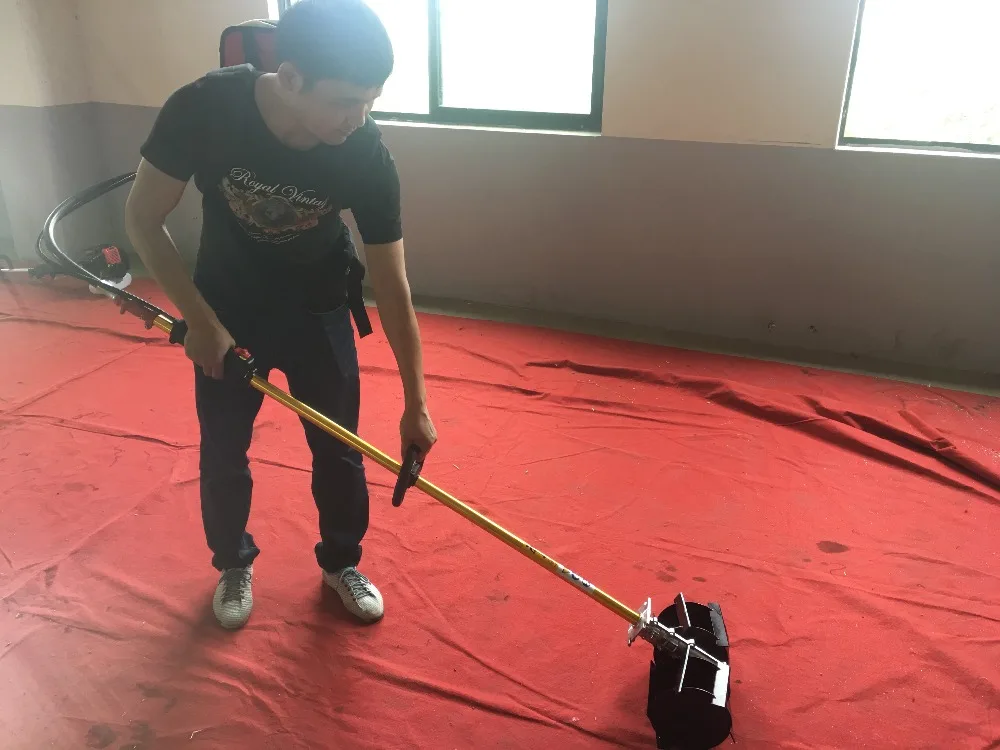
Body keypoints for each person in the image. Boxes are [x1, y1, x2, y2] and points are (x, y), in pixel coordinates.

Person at [124, 0, 436, 630]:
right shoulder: (205, 108)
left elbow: (392, 280)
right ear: (291, 79)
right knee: (224, 448)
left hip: (319, 307)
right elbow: (141, 218)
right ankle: (233, 564)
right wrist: (200, 321)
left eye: (371, 101)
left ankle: (341, 561)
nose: (359, 118)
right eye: (345, 101)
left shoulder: (363, 150)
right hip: (226, 308)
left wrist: (416, 402)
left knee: (339, 448)